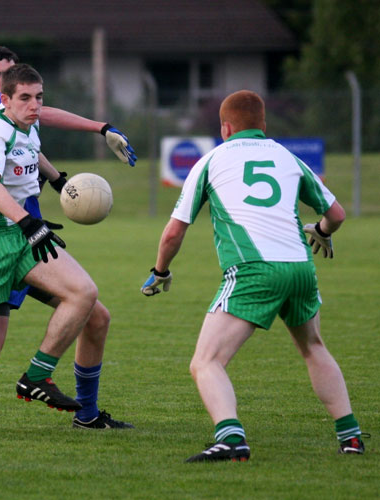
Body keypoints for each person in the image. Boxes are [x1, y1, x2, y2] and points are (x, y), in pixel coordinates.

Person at [141, 90, 367, 462]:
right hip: (300, 268)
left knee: (205, 362)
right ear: (263, 125)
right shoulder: (287, 156)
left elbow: (172, 232)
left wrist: (160, 271)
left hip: (253, 270)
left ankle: (230, 438)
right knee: (313, 348)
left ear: (225, 127)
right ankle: (351, 436)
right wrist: (322, 232)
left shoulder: (211, 160)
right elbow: (337, 214)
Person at [0, 63, 123, 481]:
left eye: (39, 97)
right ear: (4, 99)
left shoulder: (27, 127)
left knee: (84, 294)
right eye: (25, 98)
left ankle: (37, 375)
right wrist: (28, 223)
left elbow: (32, 153)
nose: (35, 106)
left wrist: (58, 181)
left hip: (19, 237)